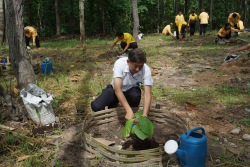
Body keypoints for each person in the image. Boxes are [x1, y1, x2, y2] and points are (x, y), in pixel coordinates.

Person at [91, 48, 153, 120]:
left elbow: (147, 95)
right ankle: (116, 104)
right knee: (96, 106)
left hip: (131, 90)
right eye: (135, 66)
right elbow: (117, 90)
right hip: (115, 91)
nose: (137, 69)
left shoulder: (146, 69)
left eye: (140, 66)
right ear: (128, 61)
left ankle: (130, 109)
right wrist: (129, 111)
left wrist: (144, 115)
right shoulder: (119, 63)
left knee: (135, 96)